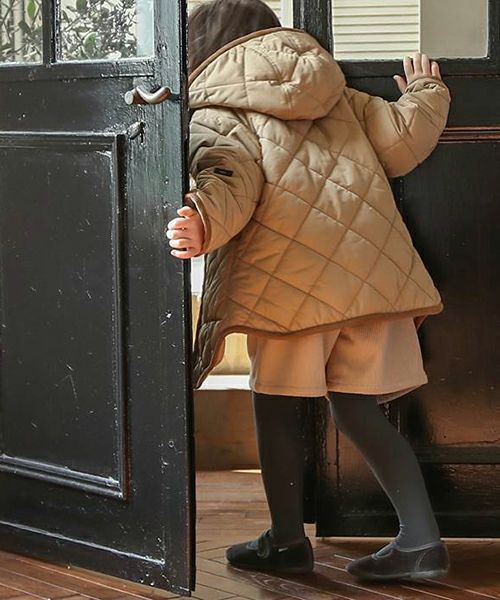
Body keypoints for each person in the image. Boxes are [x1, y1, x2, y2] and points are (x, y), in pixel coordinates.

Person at [167, 0, 451, 582]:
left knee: (276, 406)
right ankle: (422, 540)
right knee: (358, 408)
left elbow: (229, 180)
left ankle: (287, 541)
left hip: (289, 286)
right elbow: (401, 142)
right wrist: (427, 93)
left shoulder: (216, 108)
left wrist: (200, 221)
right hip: (372, 278)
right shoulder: (334, 91)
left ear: (199, 52)